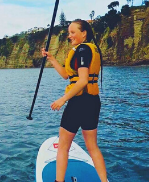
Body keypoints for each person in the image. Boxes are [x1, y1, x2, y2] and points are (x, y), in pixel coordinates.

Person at [41, 19, 107, 182]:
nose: (69, 36)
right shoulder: (87, 49)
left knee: (63, 146)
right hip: (93, 102)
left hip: (78, 102)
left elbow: (83, 80)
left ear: (83, 33)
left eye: (73, 32)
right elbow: (67, 75)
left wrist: (63, 99)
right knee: (92, 147)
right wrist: (52, 59)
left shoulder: (83, 50)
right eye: (68, 33)